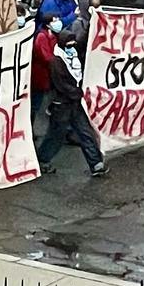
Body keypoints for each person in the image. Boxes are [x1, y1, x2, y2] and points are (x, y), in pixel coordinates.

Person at [35, 17, 105, 177]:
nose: (72, 48)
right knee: (55, 136)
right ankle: (43, 160)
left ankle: (96, 164)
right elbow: (62, 86)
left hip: (73, 103)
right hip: (62, 104)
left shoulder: (72, 58)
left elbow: (82, 42)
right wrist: (79, 93)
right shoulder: (56, 62)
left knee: (85, 133)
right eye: (69, 45)